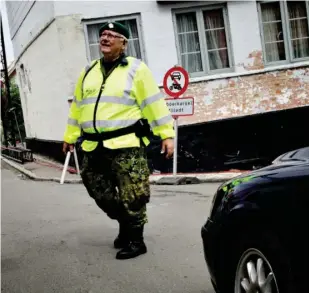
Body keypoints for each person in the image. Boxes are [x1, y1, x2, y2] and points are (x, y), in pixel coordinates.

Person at [62, 21, 175, 260]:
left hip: (127, 144)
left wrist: (166, 134)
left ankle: (136, 239)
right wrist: (70, 137)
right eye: (103, 34)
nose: (105, 38)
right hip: (92, 145)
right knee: (99, 191)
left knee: (133, 193)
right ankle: (126, 222)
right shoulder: (89, 71)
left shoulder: (136, 69)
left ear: (123, 43)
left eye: (112, 35)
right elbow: (78, 108)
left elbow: (153, 102)